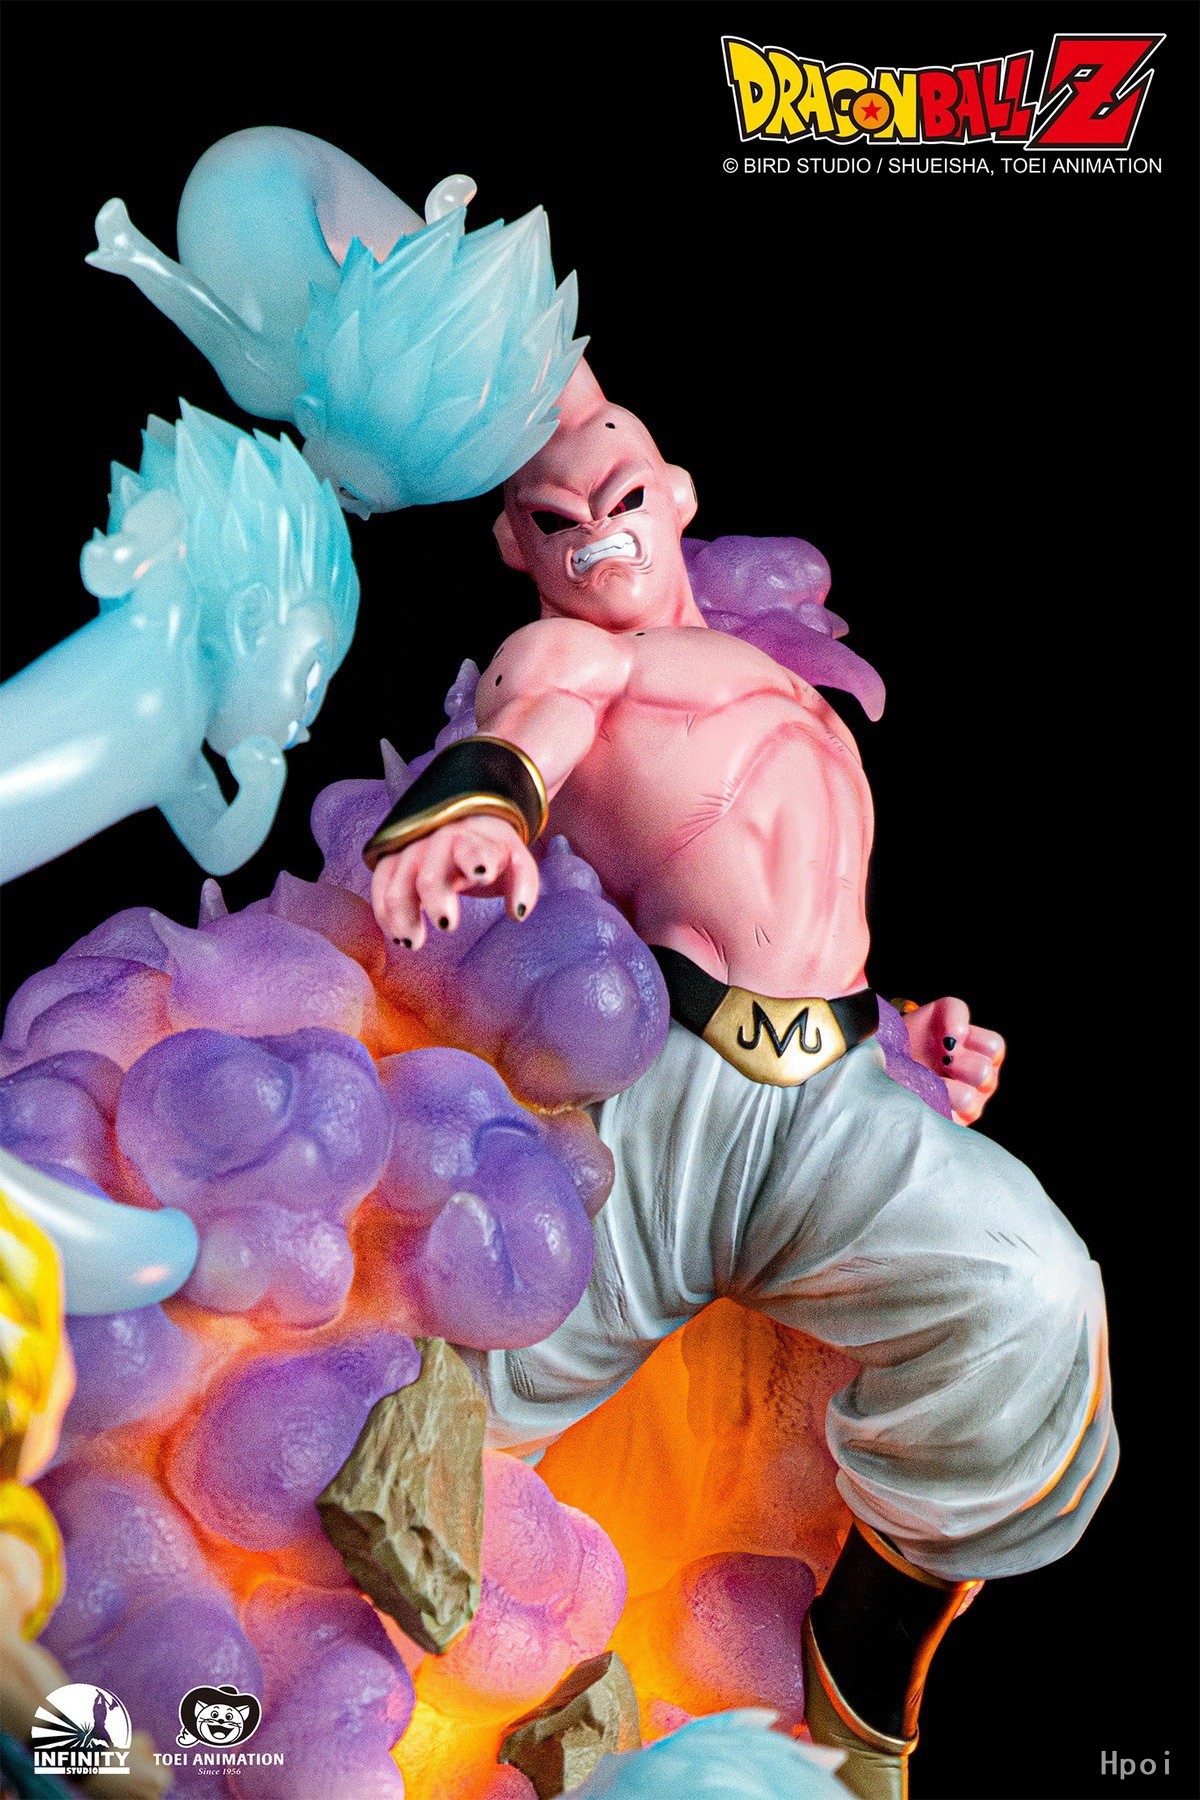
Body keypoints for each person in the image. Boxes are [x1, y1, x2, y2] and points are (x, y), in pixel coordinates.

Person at [367, 363, 1115, 1800]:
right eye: (555, 521)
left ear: (679, 497)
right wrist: (477, 813)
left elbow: (804, 914)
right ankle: (465, 1716)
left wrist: (911, 1039)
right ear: (516, 547)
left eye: (621, 497)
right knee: (447, 1415)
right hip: (673, 1096)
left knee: (1036, 1303)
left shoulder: (789, 692)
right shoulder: (575, 657)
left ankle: (856, 1698)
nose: (597, 534)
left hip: (840, 1095)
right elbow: (521, 729)